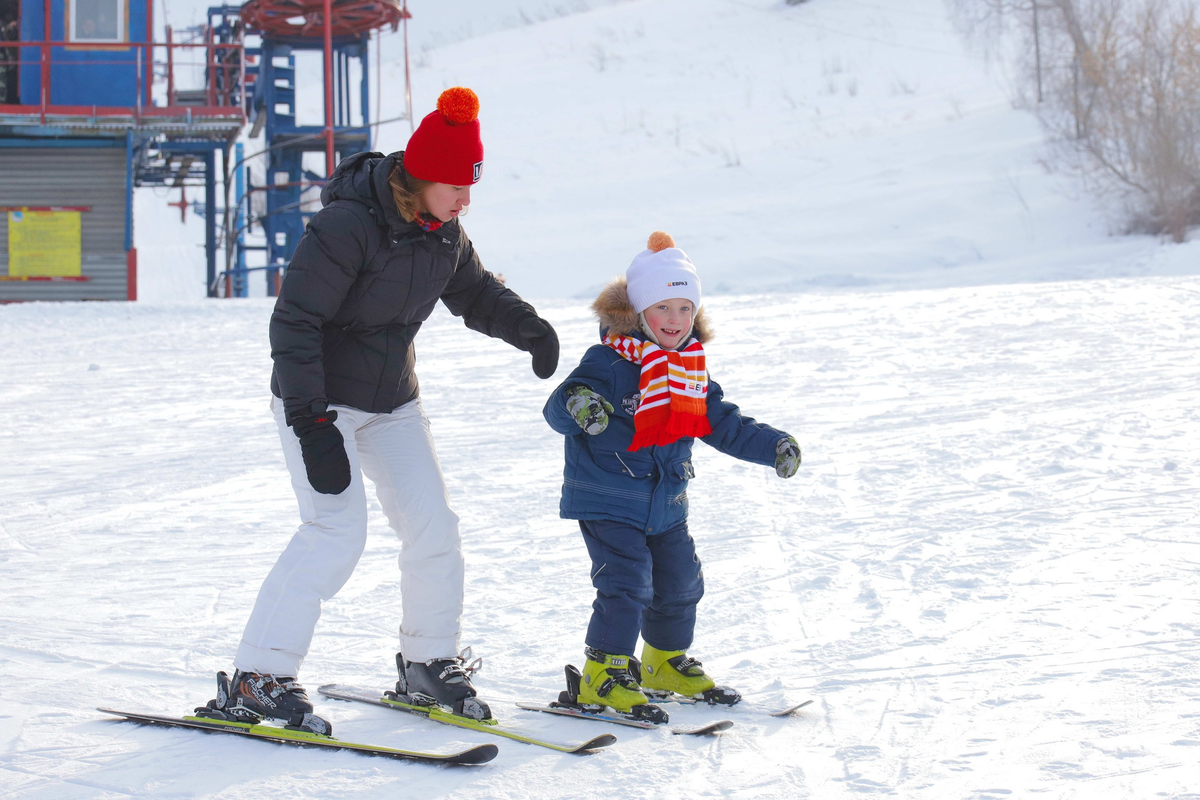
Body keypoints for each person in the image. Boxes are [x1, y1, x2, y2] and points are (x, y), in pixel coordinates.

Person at [201, 87, 559, 734]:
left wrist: (529, 328)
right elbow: (294, 324)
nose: (465, 197)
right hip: (319, 400)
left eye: (471, 184)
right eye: (455, 183)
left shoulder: (443, 232)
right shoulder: (347, 226)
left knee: (434, 527)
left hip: (392, 401)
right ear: (419, 176)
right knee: (335, 531)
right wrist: (312, 423)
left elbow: (475, 293)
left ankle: (428, 663)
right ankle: (258, 675)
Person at [542, 231, 801, 723]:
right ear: (639, 313)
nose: (676, 321)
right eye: (664, 308)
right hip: (607, 496)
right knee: (626, 582)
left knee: (681, 582)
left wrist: (773, 445)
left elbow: (723, 423)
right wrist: (579, 405)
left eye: (686, 309)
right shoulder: (609, 362)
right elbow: (559, 404)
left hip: (666, 502)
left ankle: (662, 662)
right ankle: (604, 671)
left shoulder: (689, 370)